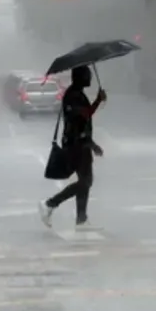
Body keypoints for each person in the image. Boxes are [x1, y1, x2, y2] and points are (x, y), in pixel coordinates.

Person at [38, 66, 106, 229]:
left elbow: (85, 117)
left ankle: (81, 219)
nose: (89, 77)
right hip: (76, 145)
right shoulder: (73, 95)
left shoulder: (77, 93)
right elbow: (82, 116)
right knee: (85, 182)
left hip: (82, 144)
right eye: (87, 75)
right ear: (80, 77)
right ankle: (50, 204)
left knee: (85, 181)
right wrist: (98, 100)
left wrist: (92, 144)